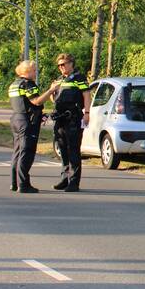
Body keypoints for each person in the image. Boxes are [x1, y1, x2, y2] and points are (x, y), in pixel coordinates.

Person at [8, 60, 58, 193]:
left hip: (16, 119)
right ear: (27, 71)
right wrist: (51, 91)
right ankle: (23, 184)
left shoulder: (14, 84)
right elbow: (36, 101)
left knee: (18, 151)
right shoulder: (28, 84)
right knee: (27, 152)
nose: (36, 73)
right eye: (34, 70)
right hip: (27, 121)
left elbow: (21, 103)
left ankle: (14, 183)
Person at [50, 53, 91, 192]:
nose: (61, 67)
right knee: (62, 149)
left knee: (73, 149)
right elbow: (54, 99)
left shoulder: (79, 78)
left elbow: (86, 95)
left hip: (73, 117)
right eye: (59, 65)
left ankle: (74, 181)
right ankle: (64, 178)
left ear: (71, 63)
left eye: (64, 64)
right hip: (60, 118)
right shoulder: (59, 79)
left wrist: (87, 113)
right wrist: (52, 91)